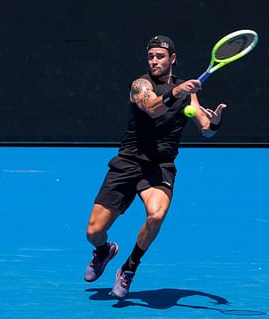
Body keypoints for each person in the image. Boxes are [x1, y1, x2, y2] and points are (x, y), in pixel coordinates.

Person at [84, 35, 226, 299]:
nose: (154, 61)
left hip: (160, 166)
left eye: (160, 56)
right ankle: (104, 251)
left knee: (156, 215)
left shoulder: (187, 91)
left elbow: (205, 129)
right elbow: (152, 109)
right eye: (151, 56)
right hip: (127, 162)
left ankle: (129, 268)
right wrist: (176, 93)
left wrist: (213, 122)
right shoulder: (140, 85)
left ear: (172, 59)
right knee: (94, 232)